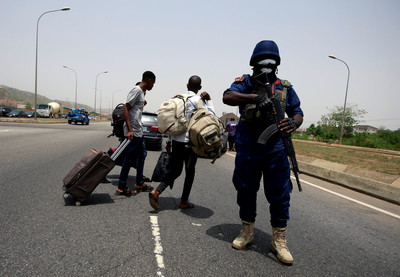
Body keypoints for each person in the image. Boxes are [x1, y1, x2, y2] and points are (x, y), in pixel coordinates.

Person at [222, 40, 303, 265]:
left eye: (270, 62)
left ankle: (278, 240)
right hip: (248, 146)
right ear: (253, 64)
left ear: (276, 64)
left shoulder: (284, 87)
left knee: (279, 193)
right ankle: (247, 232)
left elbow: (297, 112)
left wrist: (293, 123)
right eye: (261, 62)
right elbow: (227, 97)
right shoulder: (245, 82)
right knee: (246, 189)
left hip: (275, 148)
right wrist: (255, 98)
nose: (265, 66)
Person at [149, 75, 216, 210]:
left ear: (187, 85)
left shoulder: (177, 98)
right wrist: (209, 101)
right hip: (190, 143)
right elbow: (211, 117)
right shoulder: (199, 100)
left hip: (176, 141)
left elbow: (172, 121)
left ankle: (157, 191)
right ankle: (183, 201)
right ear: (200, 87)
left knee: (176, 169)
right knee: (189, 171)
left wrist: (169, 140)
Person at [116, 71, 156, 196]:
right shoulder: (136, 90)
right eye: (153, 83)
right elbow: (125, 109)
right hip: (133, 131)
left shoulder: (141, 93)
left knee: (142, 154)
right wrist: (129, 130)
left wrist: (141, 104)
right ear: (149, 80)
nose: (153, 86)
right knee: (128, 158)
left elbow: (134, 109)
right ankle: (121, 187)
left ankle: (139, 182)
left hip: (138, 131)